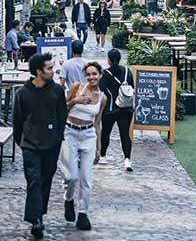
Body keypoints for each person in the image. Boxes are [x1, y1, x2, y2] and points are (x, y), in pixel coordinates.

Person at [13, 52, 67, 239]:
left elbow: (62, 115)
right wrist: (21, 141)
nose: (53, 71)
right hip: (30, 145)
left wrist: (58, 136)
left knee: (45, 180)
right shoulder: (23, 93)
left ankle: (39, 213)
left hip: (51, 144)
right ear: (38, 71)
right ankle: (36, 220)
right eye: (49, 68)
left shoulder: (57, 91)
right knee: (34, 180)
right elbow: (17, 120)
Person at [60, 61, 105, 231]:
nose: (91, 77)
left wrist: (99, 147)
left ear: (100, 75)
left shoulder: (102, 97)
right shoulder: (77, 87)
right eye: (88, 74)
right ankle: (68, 198)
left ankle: (83, 214)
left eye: (94, 74)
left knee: (86, 178)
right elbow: (62, 107)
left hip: (88, 135)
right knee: (71, 175)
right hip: (70, 132)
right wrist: (76, 100)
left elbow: (98, 122)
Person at [98, 49, 134, 172]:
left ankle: (103, 156)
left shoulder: (105, 73)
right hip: (126, 108)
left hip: (110, 109)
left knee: (106, 132)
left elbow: (101, 91)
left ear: (109, 60)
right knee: (125, 134)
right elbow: (132, 87)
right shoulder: (127, 71)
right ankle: (127, 160)